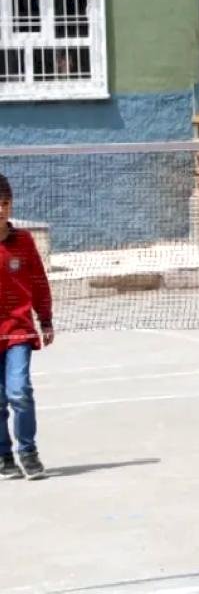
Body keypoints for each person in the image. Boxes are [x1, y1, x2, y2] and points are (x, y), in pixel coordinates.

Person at [0, 173, 53, 480]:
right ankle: (4, 455)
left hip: (19, 330)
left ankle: (28, 453)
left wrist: (45, 319)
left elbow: (38, 282)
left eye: (5, 203)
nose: (0, 209)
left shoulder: (23, 242)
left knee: (19, 392)